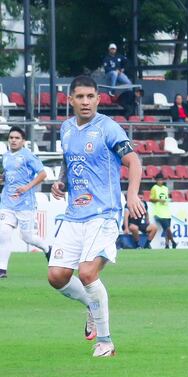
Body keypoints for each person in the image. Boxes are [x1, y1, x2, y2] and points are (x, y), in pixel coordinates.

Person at [48, 75, 144, 357]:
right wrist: (62, 182)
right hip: (74, 214)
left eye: (91, 96)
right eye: (80, 97)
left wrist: (133, 195)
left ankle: (106, 342)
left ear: (99, 99)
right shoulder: (66, 128)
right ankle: (91, 305)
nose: (86, 102)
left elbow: (133, 161)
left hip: (104, 213)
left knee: (88, 272)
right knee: (56, 276)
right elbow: (68, 160)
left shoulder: (108, 128)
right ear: (70, 100)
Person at [0, 126, 51, 278]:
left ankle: (47, 248)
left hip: (25, 204)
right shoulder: (6, 156)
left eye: (17, 138)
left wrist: (27, 186)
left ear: (23, 141)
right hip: (7, 203)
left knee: (26, 237)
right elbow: (7, 176)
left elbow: (43, 174)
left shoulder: (28, 156)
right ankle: (2, 269)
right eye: (11, 138)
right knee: (3, 233)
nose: (13, 140)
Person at [149, 176, 177, 249]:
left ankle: (167, 244)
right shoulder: (154, 188)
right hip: (158, 212)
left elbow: (166, 198)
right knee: (167, 228)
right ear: (156, 181)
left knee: (166, 229)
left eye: (161, 180)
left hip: (166, 212)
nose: (160, 181)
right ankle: (173, 242)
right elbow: (151, 199)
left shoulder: (165, 188)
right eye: (158, 180)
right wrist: (158, 200)